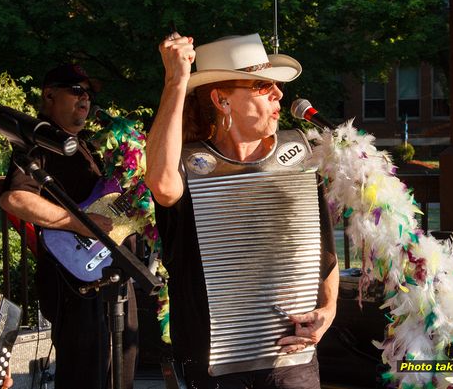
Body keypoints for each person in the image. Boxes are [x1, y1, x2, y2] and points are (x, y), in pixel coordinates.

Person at [145, 32, 339, 389]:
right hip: (215, 363)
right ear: (222, 99)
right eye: (262, 85)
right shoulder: (187, 163)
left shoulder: (299, 154)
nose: (279, 93)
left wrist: (328, 310)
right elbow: (161, 183)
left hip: (292, 360)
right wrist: (176, 81)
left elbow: (323, 250)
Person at [0, 64, 139, 389]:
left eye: (89, 93)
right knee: (84, 375)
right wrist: (82, 225)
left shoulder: (87, 144)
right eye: (77, 90)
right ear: (50, 94)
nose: (86, 99)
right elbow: (15, 200)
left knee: (120, 373)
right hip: (74, 279)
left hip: (112, 271)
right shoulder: (37, 143)